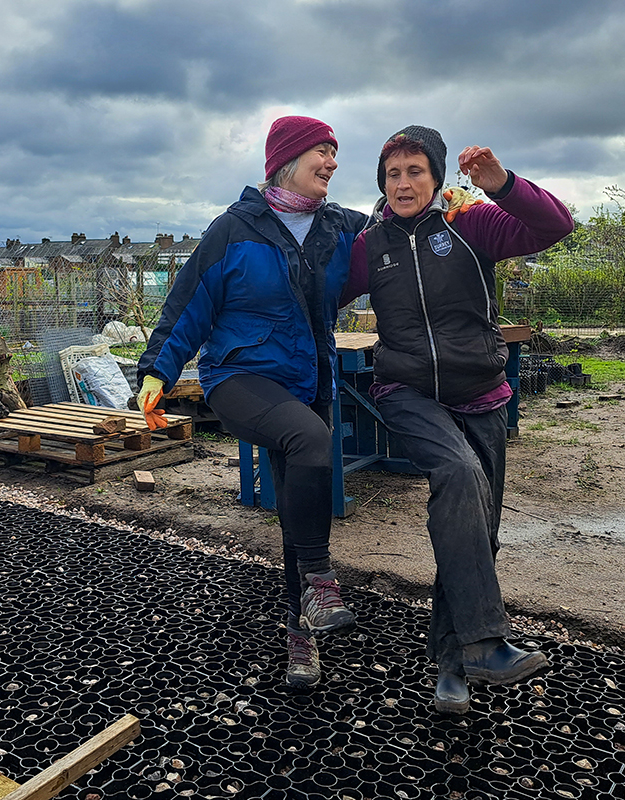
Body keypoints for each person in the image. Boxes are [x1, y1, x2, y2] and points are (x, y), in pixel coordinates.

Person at [343, 126, 574, 714]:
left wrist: (501, 184)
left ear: (438, 178)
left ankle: (455, 663)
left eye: (415, 171)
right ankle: (485, 642)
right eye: (392, 173)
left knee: (476, 530)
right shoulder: (373, 246)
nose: (403, 183)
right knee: (459, 473)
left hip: (482, 394)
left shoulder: (470, 224)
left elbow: (554, 227)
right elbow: (317, 290)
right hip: (406, 391)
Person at [136, 116, 370, 689]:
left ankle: (300, 635)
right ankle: (319, 579)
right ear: (286, 159)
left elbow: (400, 242)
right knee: (311, 440)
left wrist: (449, 206)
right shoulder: (235, 229)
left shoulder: (340, 229)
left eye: (336, 153)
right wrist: (158, 370)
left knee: (298, 505)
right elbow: (189, 302)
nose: (333, 163)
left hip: (311, 383)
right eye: (323, 151)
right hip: (239, 378)